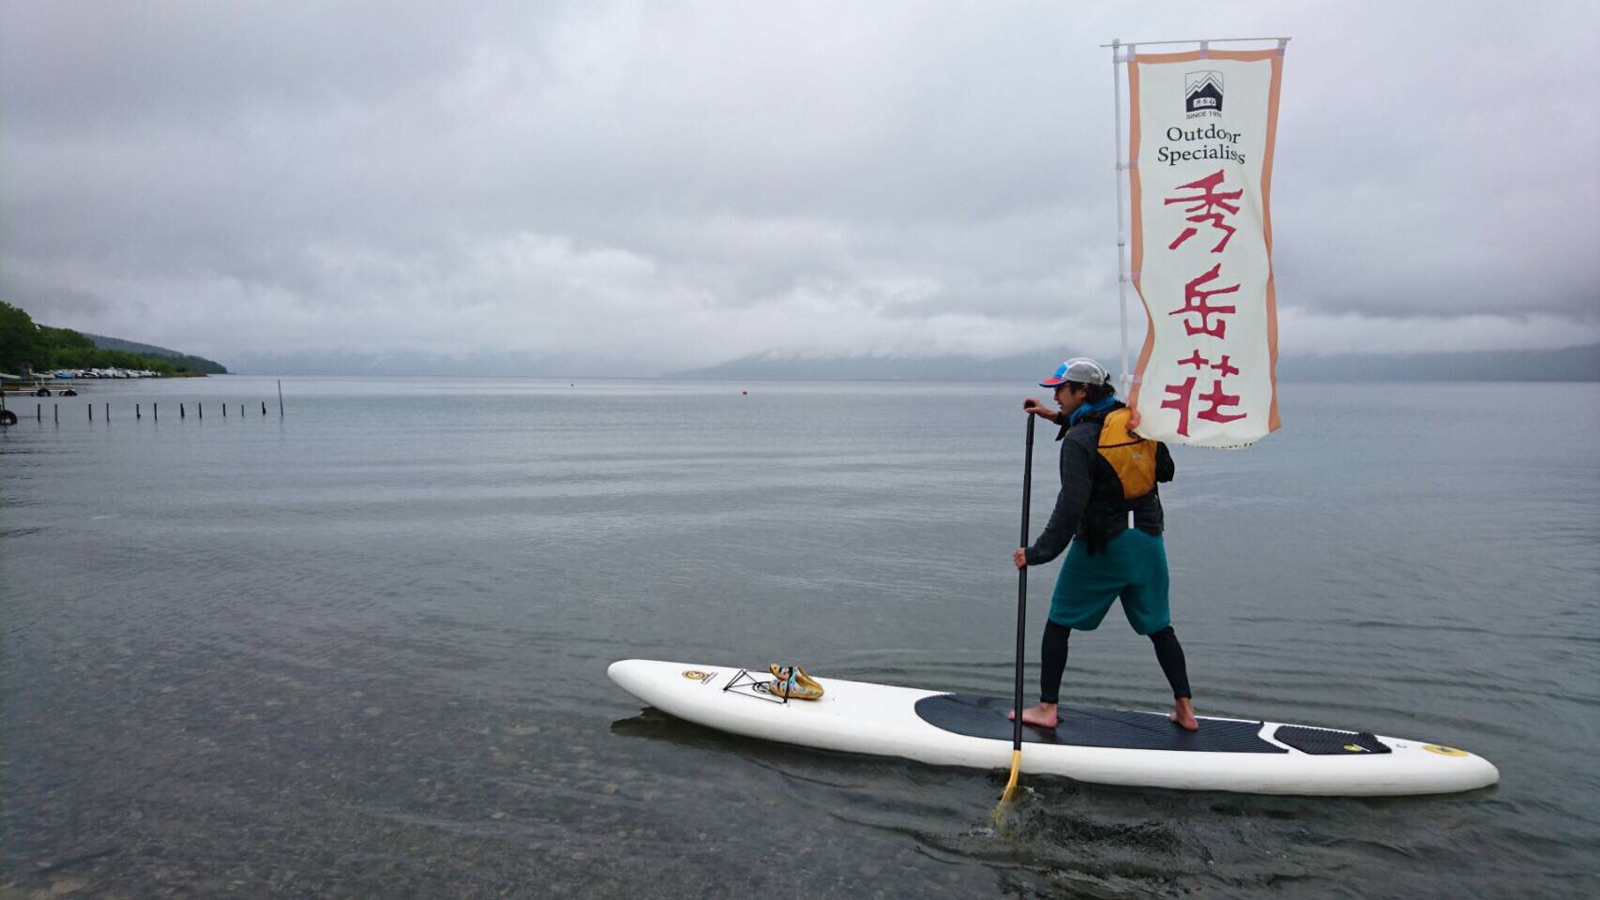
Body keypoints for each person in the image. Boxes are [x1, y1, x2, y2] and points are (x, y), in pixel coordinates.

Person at [1010, 357, 1198, 731]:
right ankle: (1185, 709)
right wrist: (1052, 416)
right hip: (1146, 541)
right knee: (1160, 627)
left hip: (1102, 545)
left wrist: (1037, 553)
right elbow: (1166, 471)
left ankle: (1046, 708)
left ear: (1083, 391)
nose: (1057, 396)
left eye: (1061, 391)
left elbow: (1070, 506)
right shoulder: (1135, 422)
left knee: (1059, 622)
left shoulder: (1079, 441)